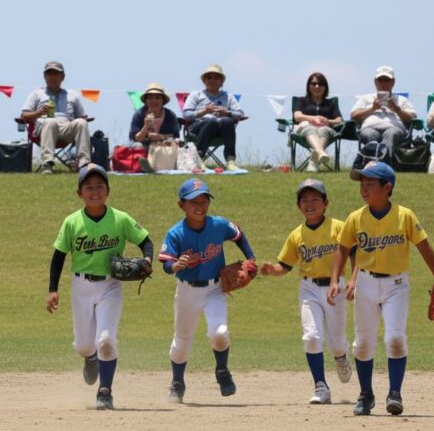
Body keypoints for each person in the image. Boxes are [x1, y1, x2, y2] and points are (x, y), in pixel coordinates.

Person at [327, 162, 434, 416]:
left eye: (370, 184)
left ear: (387, 187)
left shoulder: (405, 216)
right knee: (362, 344)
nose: (364, 189)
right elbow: (343, 248)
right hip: (366, 283)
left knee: (395, 339)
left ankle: (395, 394)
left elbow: (424, 247)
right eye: (362, 184)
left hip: (397, 284)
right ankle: (366, 394)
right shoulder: (356, 217)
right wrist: (335, 278)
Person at [46, 164, 153, 410]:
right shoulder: (72, 222)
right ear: (79, 193)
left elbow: (145, 240)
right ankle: (90, 357)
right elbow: (58, 256)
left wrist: (147, 259)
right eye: (89, 187)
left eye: (100, 187)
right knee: (84, 345)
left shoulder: (121, 218)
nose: (95, 191)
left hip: (111, 286)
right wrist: (53, 289)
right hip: (81, 286)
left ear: (108, 190)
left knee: (105, 339)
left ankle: (105, 391)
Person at [159, 178, 256, 403]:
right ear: (181, 205)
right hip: (186, 292)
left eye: (204, 200)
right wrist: (174, 266)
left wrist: (251, 259)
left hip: (215, 289)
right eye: (194, 202)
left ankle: (222, 372)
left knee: (220, 332)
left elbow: (239, 235)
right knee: (181, 343)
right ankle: (177, 381)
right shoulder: (176, 233)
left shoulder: (218, 225)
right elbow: (165, 264)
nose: (200, 206)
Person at [259, 179, 354, 404]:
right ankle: (321, 387)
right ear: (298, 205)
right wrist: (272, 270)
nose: (309, 203)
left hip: (336, 288)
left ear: (326, 203)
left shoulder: (339, 227)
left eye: (315, 199)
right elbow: (286, 265)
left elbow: (354, 253)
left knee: (337, 343)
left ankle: (341, 356)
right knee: (311, 337)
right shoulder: (296, 235)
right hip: (309, 288)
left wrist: (353, 280)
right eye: (304, 200)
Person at [20, 61, 91, 174]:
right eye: (49, 74)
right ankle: (47, 163)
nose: (52, 77)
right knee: (50, 121)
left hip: (66, 128)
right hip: (43, 128)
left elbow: (83, 117)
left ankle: (84, 164)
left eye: (55, 74)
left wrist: (81, 121)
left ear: (62, 77)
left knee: (81, 122)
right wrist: (40, 112)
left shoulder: (72, 95)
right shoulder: (36, 93)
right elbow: (24, 115)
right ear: (44, 76)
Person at [182, 65, 245, 171]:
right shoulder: (196, 95)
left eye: (216, 77)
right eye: (209, 77)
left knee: (227, 121)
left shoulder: (228, 96)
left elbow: (240, 114)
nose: (212, 80)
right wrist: (204, 111)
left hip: (221, 130)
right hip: (198, 128)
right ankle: (198, 157)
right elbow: (186, 114)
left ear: (221, 82)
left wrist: (227, 113)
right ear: (204, 81)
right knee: (211, 121)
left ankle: (230, 160)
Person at [350, 66, 417, 159]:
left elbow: (412, 117)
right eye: (380, 80)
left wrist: (396, 109)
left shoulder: (401, 100)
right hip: (370, 128)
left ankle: (382, 164)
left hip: (394, 128)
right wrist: (372, 108)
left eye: (387, 80)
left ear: (393, 82)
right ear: (375, 82)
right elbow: (353, 116)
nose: (383, 83)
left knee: (391, 133)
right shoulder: (365, 98)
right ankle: (376, 164)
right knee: (368, 133)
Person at [292, 72, 344, 172]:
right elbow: (297, 116)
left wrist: (327, 121)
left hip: (326, 129)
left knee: (324, 129)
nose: (317, 86)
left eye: (320, 84)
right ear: (308, 86)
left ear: (325, 87)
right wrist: (313, 118)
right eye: (314, 83)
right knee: (310, 129)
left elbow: (339, 120)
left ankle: (314, 159)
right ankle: (321, 153)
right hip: (305, 129)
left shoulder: (331, 103)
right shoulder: (301, 101)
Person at [130, 83, 180, 173]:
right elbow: (136, 138)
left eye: (157, 98)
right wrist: (145, 127)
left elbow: (174, 135)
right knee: (137, 146)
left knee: (174, 145)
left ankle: (158, 167)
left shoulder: (170, 115)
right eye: (150, 98)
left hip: (163, 146)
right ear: (146, 101)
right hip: (145, 146)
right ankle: (144, 167)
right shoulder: (139, 114)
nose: (153, 101)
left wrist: (160, 136)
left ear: (162, 101)